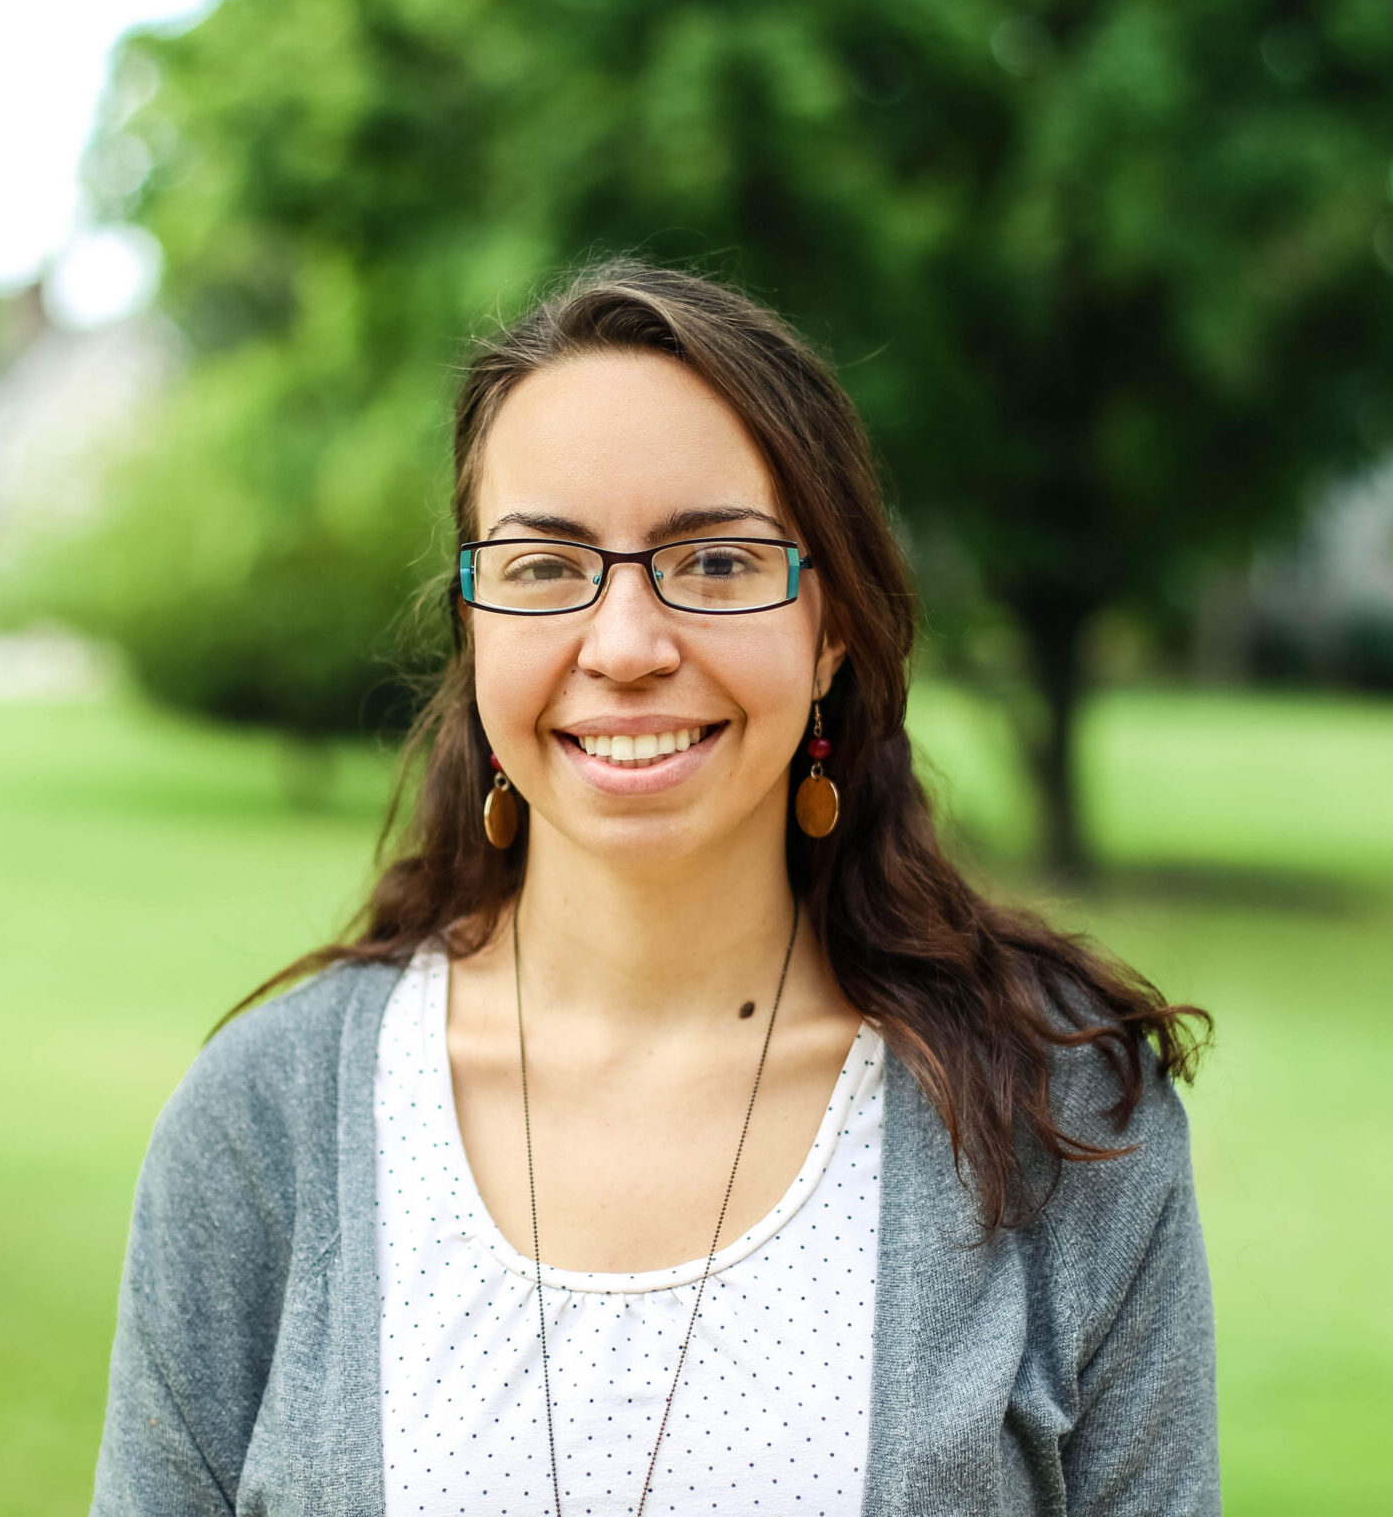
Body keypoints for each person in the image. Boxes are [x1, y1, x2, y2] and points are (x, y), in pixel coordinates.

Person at [90, 259, 1219, 1517]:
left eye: (719, 561)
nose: (626, 646)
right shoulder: (267, 1123)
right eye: (543, 565)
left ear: (831, 622)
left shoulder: (1059, 1115)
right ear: (475, 622)